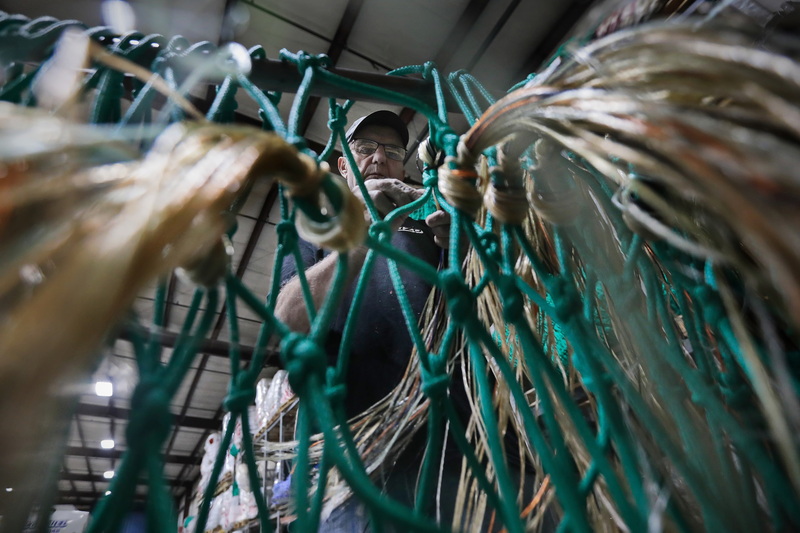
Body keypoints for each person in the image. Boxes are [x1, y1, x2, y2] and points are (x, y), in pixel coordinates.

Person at [274, 110, 450, 416]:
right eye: (366, 148)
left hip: (439, 405)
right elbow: (286, 322)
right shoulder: (315, 230)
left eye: (392, 151)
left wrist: (459, 245)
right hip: (344, 417)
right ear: (343, 166)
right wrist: (359, 240)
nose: (380, 158)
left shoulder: (430, 223)